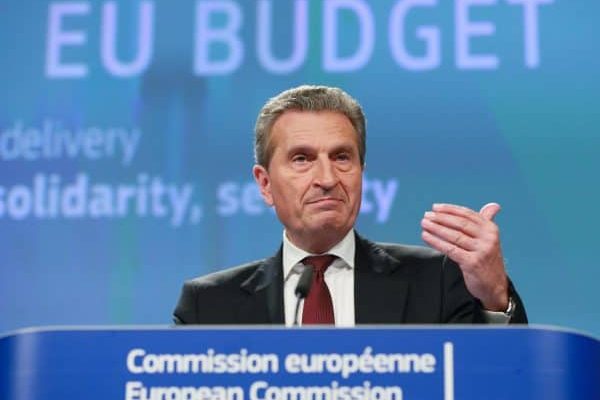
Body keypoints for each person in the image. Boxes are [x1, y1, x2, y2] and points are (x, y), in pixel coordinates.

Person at [173, 85, 527, 326]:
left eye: (342, 157)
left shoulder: (436, 282)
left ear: (361, 172)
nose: (327, 177)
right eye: (302, 159)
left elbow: (497, 379)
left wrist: (494, 295)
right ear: (265, 184)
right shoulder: (208, 307)